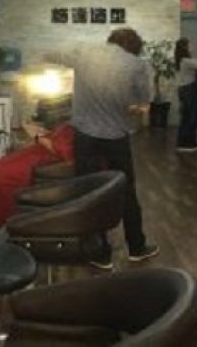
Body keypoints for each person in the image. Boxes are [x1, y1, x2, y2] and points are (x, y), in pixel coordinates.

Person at [44, 27, 157, 269]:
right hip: (116, 136)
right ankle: (136, 247)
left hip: (85, 135)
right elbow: (143, 103)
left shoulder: (85, 53)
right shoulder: (136, 65)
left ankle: (99, 252)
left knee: (88, 191)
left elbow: (50, 53)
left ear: (111, 40)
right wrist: (133, 107)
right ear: (133, 47)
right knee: (126, 190)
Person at [0, 123, 74, 227]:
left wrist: (38, 137)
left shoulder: (81, 129)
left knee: (0, 174)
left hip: (45, 158)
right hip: (38, 151)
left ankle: (2, 220)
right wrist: (44, 133)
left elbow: (61, 150)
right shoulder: (75, 124)